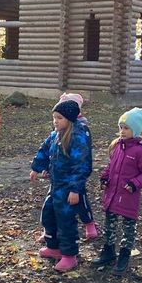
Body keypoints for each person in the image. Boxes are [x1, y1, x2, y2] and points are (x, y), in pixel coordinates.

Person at [30, 99, 93, 272]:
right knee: (48, 214)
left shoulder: (77, 138)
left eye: (60, 118)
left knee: (65, 221)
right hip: (55, 185)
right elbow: (43, 150)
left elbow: (82, 166)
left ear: (70, 120)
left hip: (68, 188)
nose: (56, 121)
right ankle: (54, 246)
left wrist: (75, 189)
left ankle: (69, 255)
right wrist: (37, 167)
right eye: (54, 118)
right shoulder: (54, 135)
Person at [92, 108, 142, 275]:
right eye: (120, 127)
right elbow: (111, 167)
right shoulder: (117, 147)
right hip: (112, 194)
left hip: (128, 196)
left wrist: (135, 183)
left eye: (126, 128)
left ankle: (124, 255)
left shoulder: (141, 151)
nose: (122, 131)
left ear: (135, 130)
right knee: (109, 225)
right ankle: (108, 251)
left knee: (128, 228)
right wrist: (105, 178)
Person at [58, 92, 99, 241]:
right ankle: (51, 229)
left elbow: (82, 156)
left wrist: (78, 175)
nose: (56, 120)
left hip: (75, 173)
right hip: (60, 173)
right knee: (54, 202)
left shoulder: (81, 129)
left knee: (80, 199)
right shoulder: (60, 127)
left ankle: (89, 224)